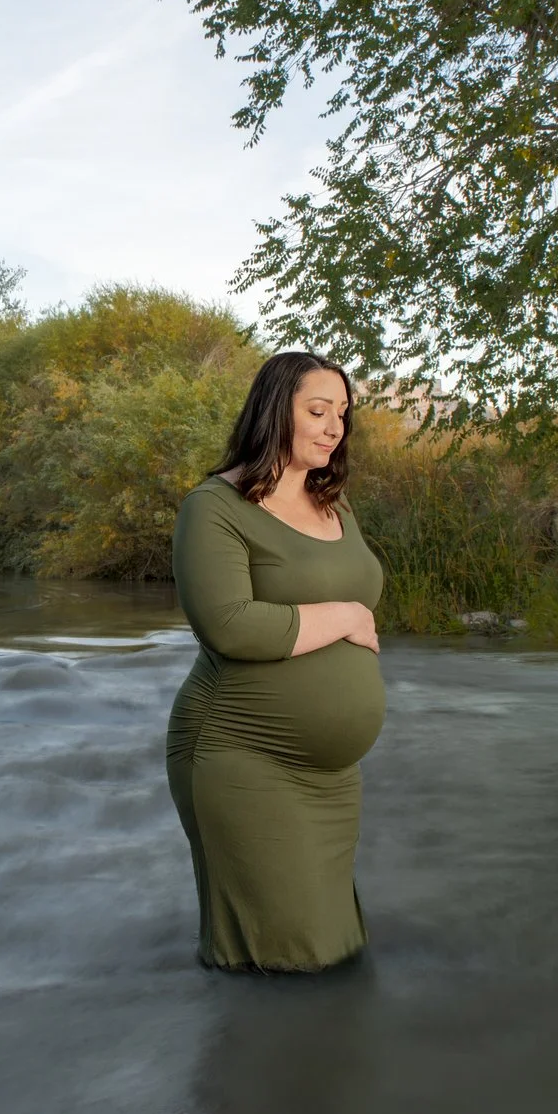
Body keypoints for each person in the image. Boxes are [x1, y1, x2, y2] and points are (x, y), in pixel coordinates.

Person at [165, 349, 386, 973]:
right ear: (271, 411)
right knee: (280, 963)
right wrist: (345, 617)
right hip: (243, 756)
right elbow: (229, 625)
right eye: (317, 410)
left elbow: (349, 587)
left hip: (331, 775)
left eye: (342, 412)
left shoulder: (335, 505)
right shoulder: (214, 508)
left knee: (334, 951)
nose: (334, 426)